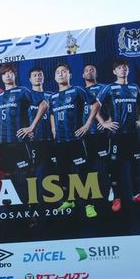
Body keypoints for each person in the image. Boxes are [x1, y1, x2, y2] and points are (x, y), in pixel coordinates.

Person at [49, 62, 100, 217]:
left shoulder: (77, 90)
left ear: (70, 75)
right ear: (54, 77)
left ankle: (89, 204)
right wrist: (53, 129)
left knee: (83, 173)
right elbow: (52, 114)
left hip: (76, 140)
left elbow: (96, 104)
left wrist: (87, 124)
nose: (60, 74)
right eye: (58, 72)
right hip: (60, 142)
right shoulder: (53, 97)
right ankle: (69, 200)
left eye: (63, 71)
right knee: (63, 173)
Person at [97, 58, 140, 212]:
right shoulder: (110, 88)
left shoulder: (134, 87)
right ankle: (116, 198)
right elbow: (95, 106)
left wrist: (139, 119)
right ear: (114, 71)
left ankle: (136, 194)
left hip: (132, 135)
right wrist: (104, 123)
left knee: (136, 166)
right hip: (117, 135)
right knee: (115, 167)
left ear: (128, 70)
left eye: (125, 67)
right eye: (119, 68)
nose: (123, 69)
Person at [82, 64, 111, 203]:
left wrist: (109, 120)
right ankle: (92, 199)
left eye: (92, 70)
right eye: (86, 70)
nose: (89, 72)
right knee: (87, 167)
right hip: (86, 135)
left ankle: (114, 192)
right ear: (82, 75)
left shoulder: (104, 88)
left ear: (96, 73)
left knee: (108, 163)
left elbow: (114, 105)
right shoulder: (80, 91)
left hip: (102, 133)